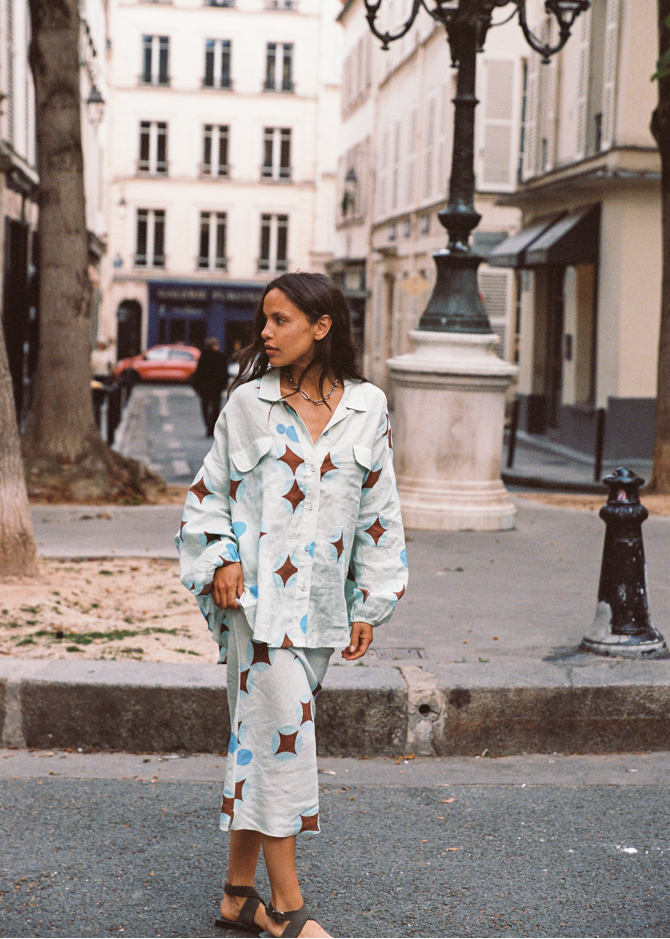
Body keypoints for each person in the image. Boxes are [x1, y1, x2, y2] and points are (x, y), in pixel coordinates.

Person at [177, 272, 408, 938]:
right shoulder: (247, 404)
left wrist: (373, 601)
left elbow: (379, 513)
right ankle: (286, 905)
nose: (265, 333)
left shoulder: (368, 406)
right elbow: (207, 493)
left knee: (261, 739)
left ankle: (234, 896)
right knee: (282, 741)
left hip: (321, 612)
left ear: (322, 325)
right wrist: (219, 556)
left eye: (280, 320)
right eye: (264, 320)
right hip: (256, 606)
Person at [190, 337, 229, 436]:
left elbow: (198, 373)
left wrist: (198, 386)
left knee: (205, 407)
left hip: (205, 387)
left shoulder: (203, 357)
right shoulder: (221, 357)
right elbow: (224, 373)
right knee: (216, 408)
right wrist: (224, 385)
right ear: (215, 345)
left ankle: (208, 426)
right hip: (217, 387)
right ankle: (212, 427)